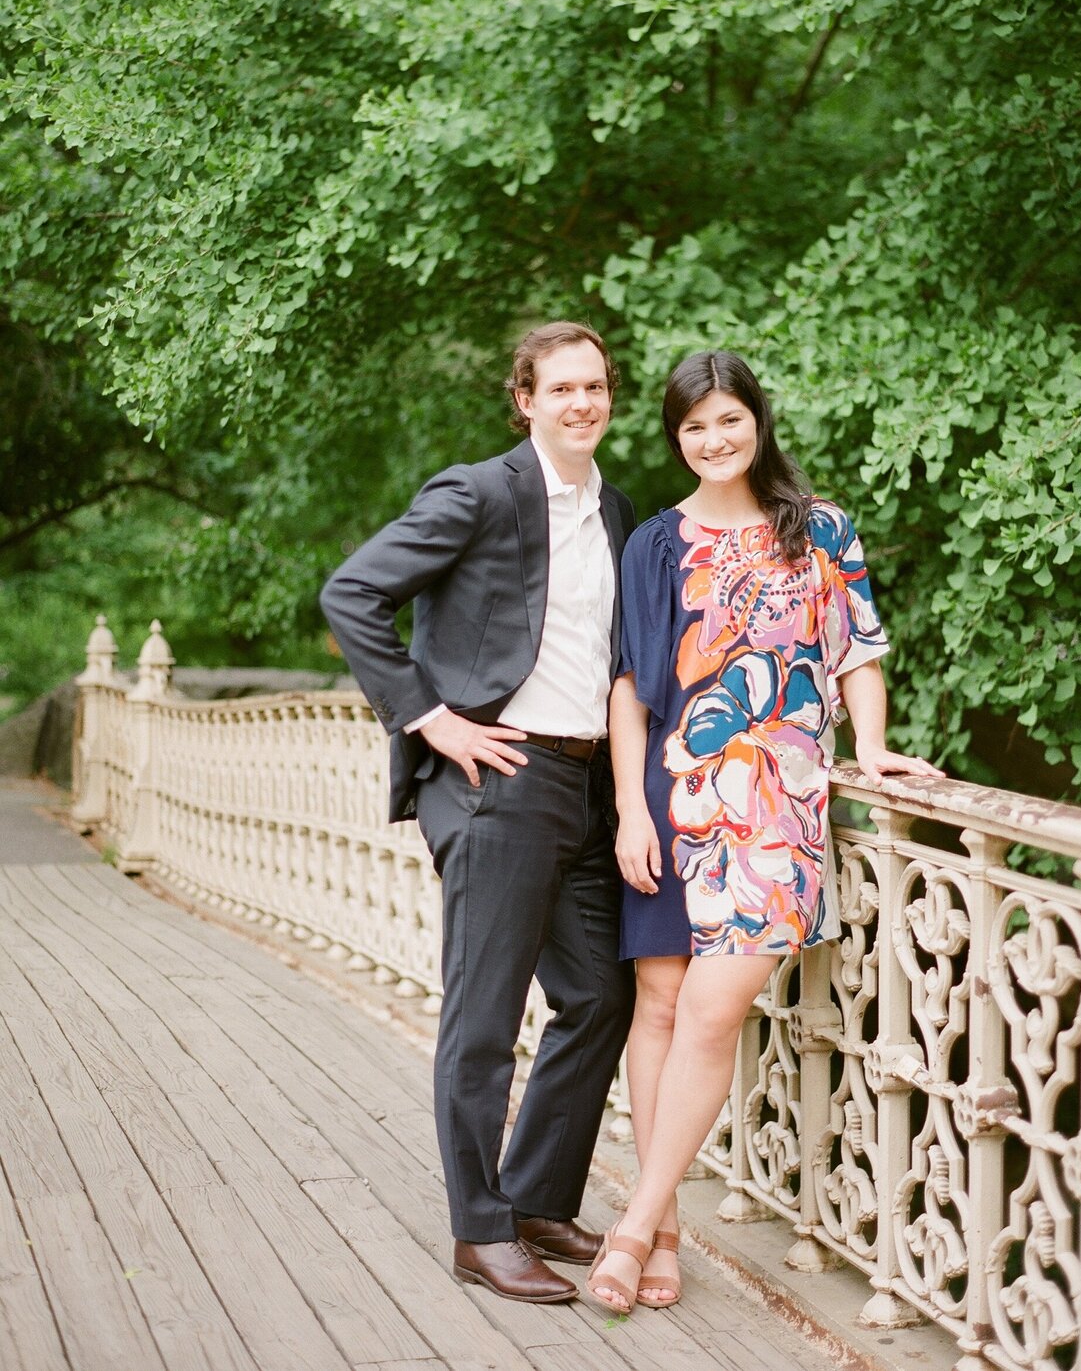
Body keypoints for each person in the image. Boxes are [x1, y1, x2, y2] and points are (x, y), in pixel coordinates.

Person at [588, 350, 943, 1313]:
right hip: (670, 800)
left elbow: (858, 644)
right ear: (676, 439)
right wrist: (629, 809)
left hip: (778, 809)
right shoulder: (656, 543)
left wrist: (870, 748)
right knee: (658, 1011)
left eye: (728, 419)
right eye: (693, 426)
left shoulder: (818, 528)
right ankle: (660, 1236)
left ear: (757, 420)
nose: (713, 440)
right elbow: (630, 688)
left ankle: (631, 1224)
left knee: (711, 1014)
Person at [321, 322, 636, 1305]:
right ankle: (479, 1229)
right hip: (497, 779)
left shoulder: (614, 510)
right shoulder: (481, 490)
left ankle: (537, 1195)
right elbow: (352, 592)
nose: (582, 402)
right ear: (526, 399)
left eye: (596, 387)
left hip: (587, 785)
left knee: (599, 995)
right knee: (486, 1015)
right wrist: (429, 718)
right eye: (562, 388)